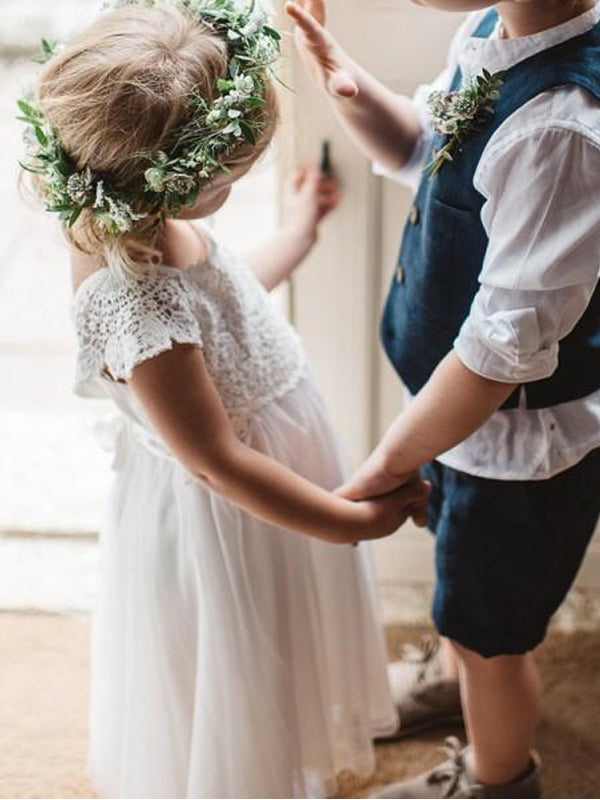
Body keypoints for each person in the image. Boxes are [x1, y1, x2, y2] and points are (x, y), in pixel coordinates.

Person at [19, 1, 430, 796]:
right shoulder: (131, 294)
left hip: (260, 485)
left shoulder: (142, 224)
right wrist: (346, 523)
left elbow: (222, 298)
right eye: (232, 179)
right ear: (175, 181)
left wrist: (300, 234)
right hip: (233, 514)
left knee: (284, 642)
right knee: (248, 664)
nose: (237, 188)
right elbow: (213, 462)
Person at [286, 0, 600, 797]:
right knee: (462, 569)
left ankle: (499, 777)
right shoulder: (500, 29)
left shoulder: (561, 125)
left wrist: (392, 458)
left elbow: (501, 352)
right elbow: (433, 146)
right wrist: (342, 79)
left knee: (494, 632)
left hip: (517, 443)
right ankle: (456, 656)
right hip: (459, 420)